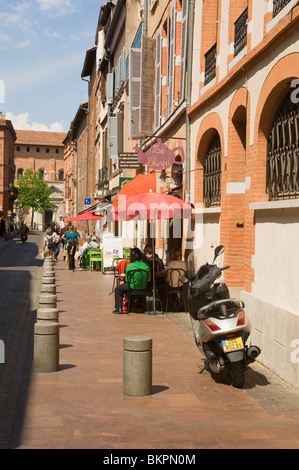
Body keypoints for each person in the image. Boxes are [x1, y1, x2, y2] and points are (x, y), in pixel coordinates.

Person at [113, 248, 151, 314]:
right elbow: (149, 279)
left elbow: (127, 280)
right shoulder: (147, 266)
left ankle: (119, 308)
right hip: (143, 288)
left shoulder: (129, 266)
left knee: (117, 289)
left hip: (132, 287)